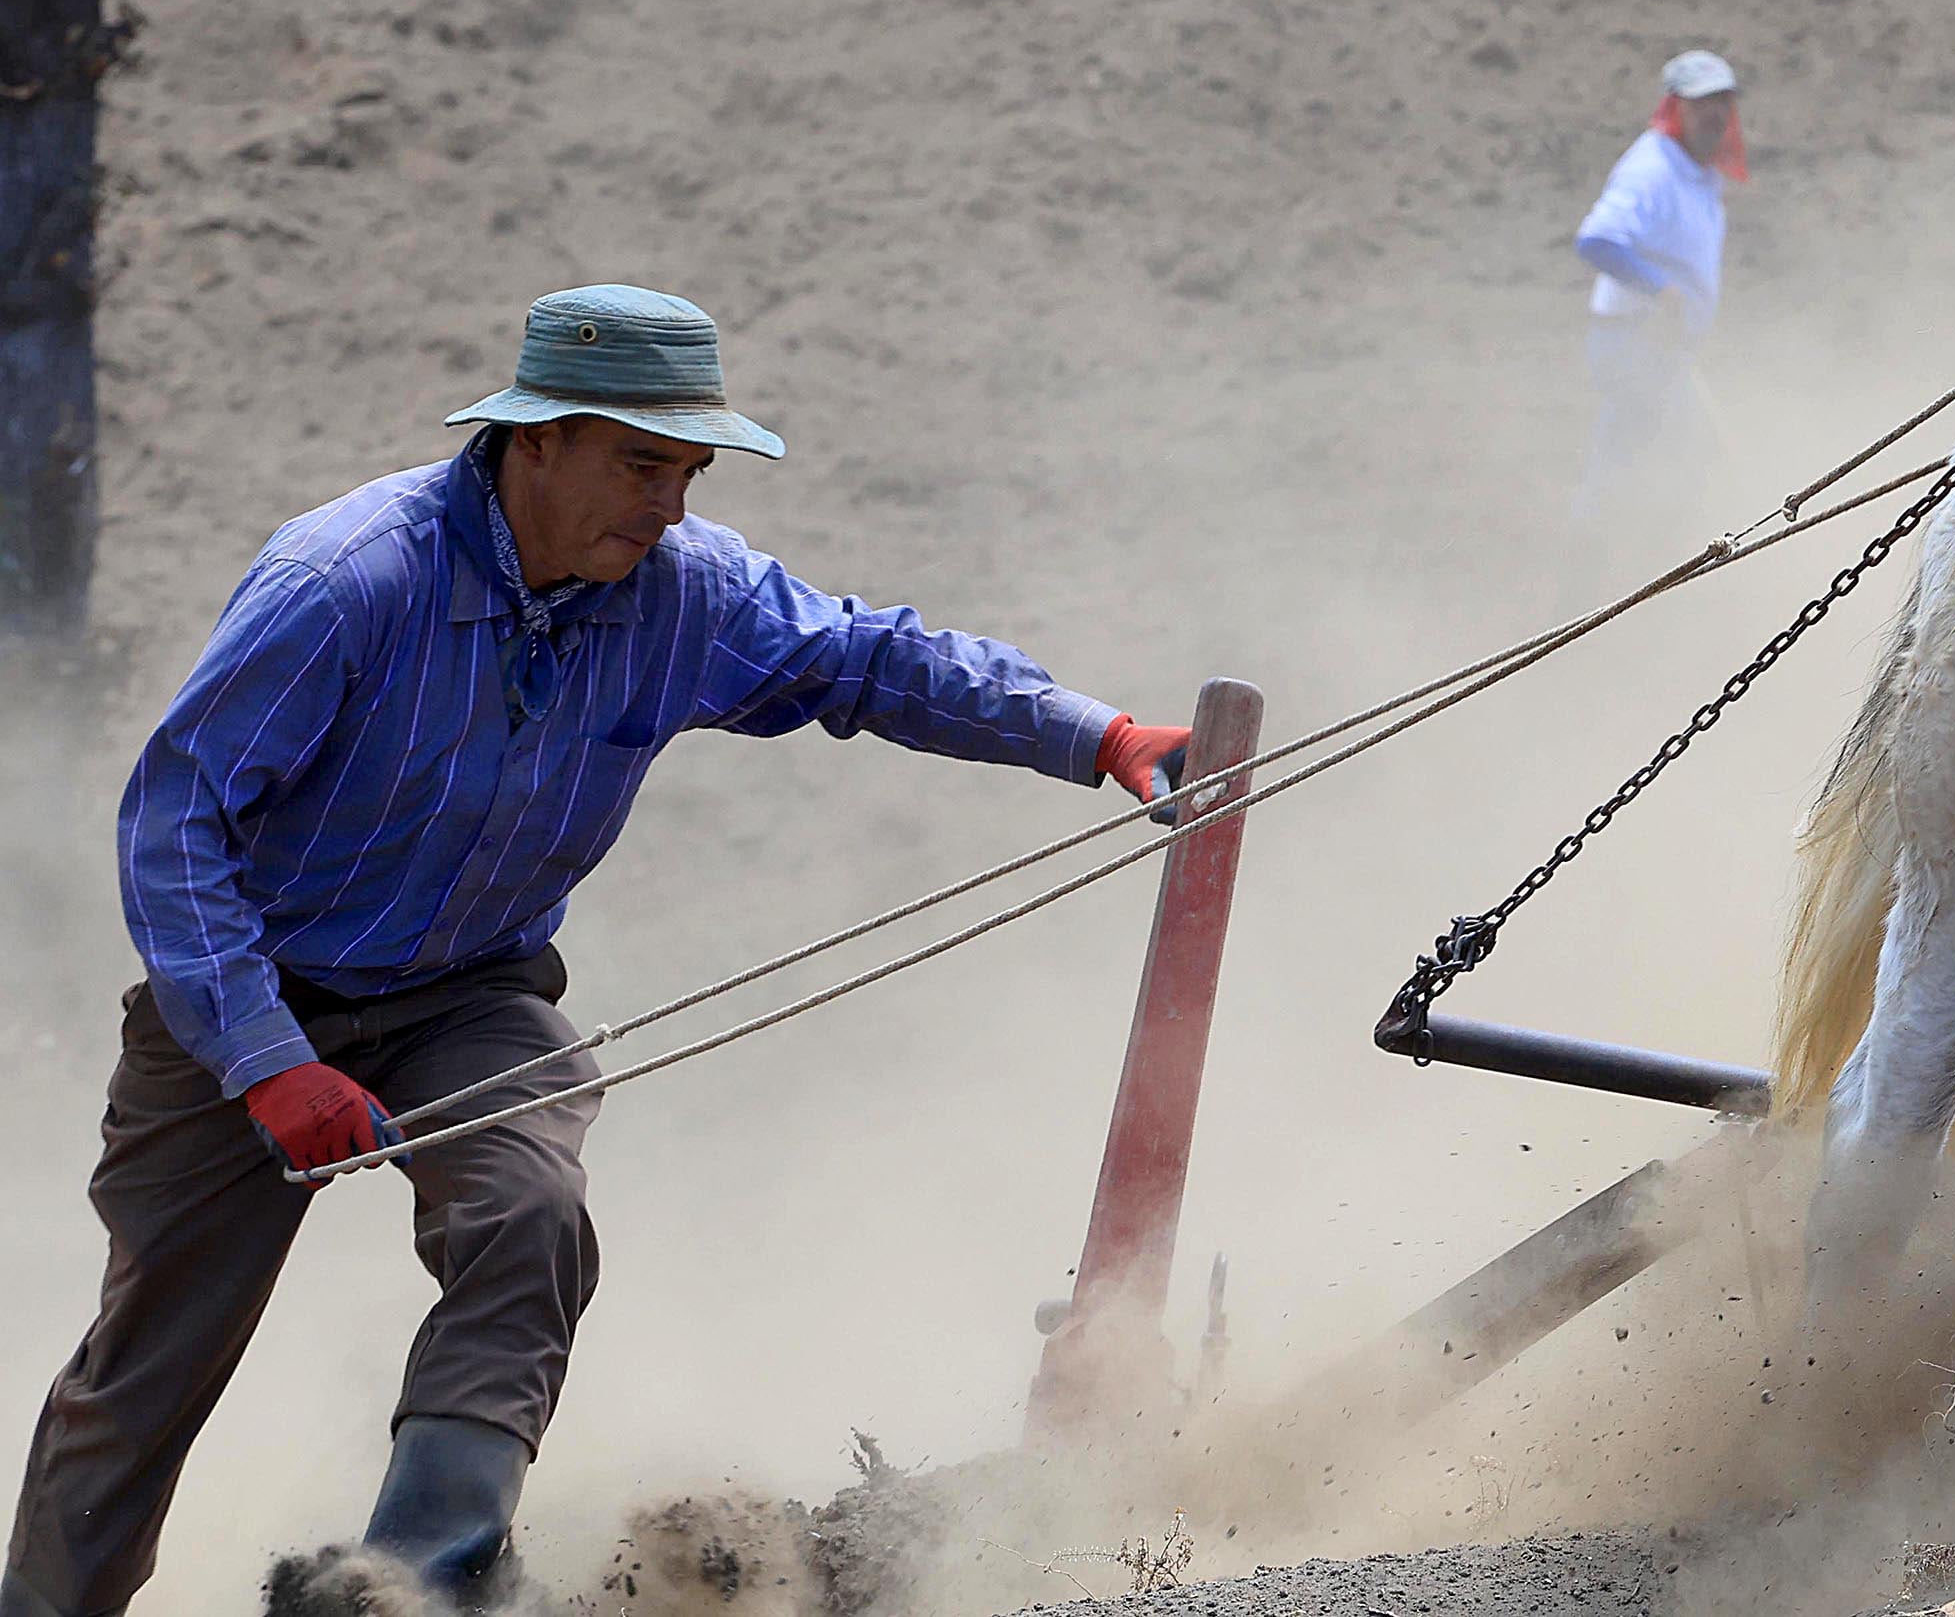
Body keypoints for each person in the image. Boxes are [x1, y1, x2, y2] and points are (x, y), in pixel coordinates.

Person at [4, 287, 1187, 1616]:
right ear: (536, 439)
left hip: (472, 994)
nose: (669, 505)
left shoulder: (687, 593)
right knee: (152, 1358)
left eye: (689, 471)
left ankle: (413, 1585)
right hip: (247, 995)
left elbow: (869, 658)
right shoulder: (344, 583)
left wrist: (1094, 735)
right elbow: (175, 824)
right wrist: (268, 1057)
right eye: (640, 463)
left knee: (531, 1214)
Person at [1568, 51, 1744, 545]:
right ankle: (1594, 566)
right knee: (1639, 464)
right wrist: (1659, 289)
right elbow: (1597, 239)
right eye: (1701, 103)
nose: (1715, 114)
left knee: (1674, 461)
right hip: (1634, 344)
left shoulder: (1697, 173)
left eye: (1722, 102)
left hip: (1663, 349)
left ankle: (1638, 557)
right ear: (1674, 107)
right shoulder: (1652, 169)